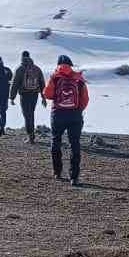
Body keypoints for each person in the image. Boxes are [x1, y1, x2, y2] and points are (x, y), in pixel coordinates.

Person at [43, 54, 89, 185]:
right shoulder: (78, 78)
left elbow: (47, 94)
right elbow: (85, 99)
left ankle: (57, 171)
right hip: (74, 115)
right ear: (71, 65)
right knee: (75, 144)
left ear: (58, 65)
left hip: (58, 114)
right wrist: (78, 110)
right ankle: (74, 176)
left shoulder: (55, 77)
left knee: (55, 141)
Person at [10, 50, 46, 143]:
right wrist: (43, 97)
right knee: (31, 113)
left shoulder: (19, 69)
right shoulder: (37, 69)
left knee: (27, 115)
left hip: (24, 95)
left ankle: (30, 136)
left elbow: (14, 84)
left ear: (22, 57)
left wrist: (12, 97)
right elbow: (42, 83)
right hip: (34, 95)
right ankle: (31, 134)